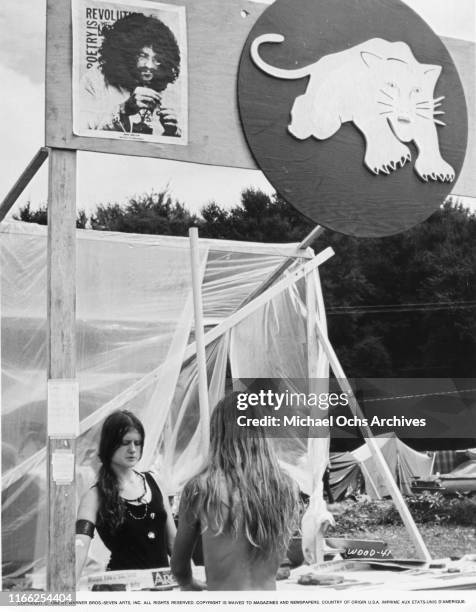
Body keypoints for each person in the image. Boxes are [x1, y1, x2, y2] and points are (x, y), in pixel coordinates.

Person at [171, 393, 298, 590]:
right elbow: (280, 556)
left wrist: (188, 582)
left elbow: (179, 566)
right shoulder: (285, 487)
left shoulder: (202, 488)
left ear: (217, 433)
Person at [75, 410, 176, 581]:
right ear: (110, 444)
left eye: (138, 443)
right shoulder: (94, 496)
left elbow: (174, 542)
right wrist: (64, 593)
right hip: (123, 588)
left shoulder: (155, 481)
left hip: (163, 586)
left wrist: (192, 582)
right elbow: (80, 545)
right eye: (126, 443)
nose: (133, 449)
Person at [79, 13, 181, 136]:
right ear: (125, 53)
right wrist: (122, 111)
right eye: (142, 55)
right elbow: (80, 133)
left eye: (157, 59)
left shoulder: (169, 93)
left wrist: (172, 133)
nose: (149, 65)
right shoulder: (94, 81)